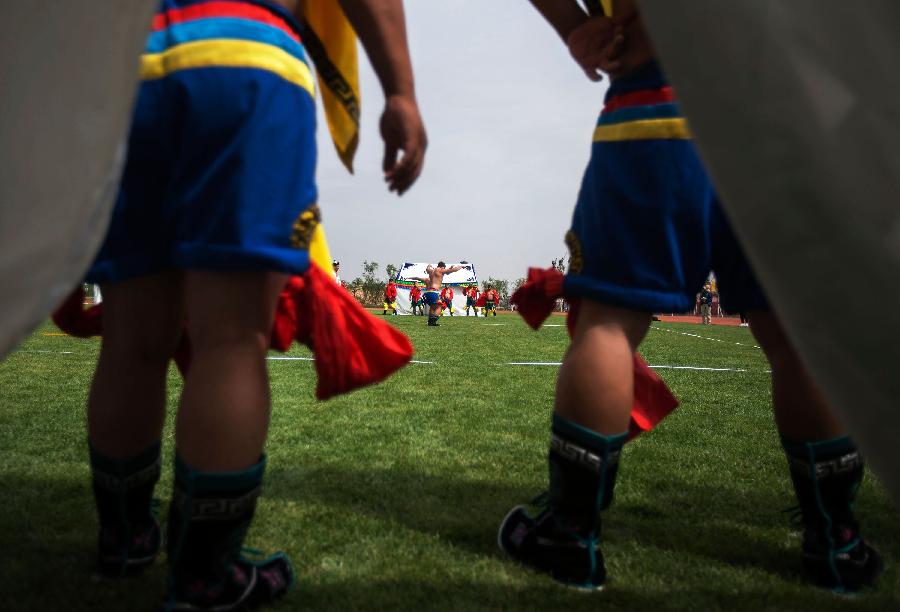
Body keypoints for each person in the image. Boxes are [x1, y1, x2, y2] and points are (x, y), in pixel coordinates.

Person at [499, 0, 881, 594]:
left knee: (610, 325)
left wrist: (575, 25)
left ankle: (569, 538)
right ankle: (837, 544)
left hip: (659, 99)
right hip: (786, 113)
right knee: (802, 340)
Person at [81, 0, 426, 609]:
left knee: (131, 339)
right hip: (244, 47)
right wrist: (401, 91)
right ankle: (203, 577)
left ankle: (124, 539)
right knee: (232, 340)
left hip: (122, 61)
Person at [412, 261, 462, 326]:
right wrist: (461, 266)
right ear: (443, 267)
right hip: (434, 292)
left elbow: (427, 269)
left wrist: (429, 265)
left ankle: (430, 322)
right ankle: (433, 322)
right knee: (440, 307)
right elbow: (454, 270)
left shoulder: (431, 271)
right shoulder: (441, 270)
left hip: (426, 293)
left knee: (433, 307)